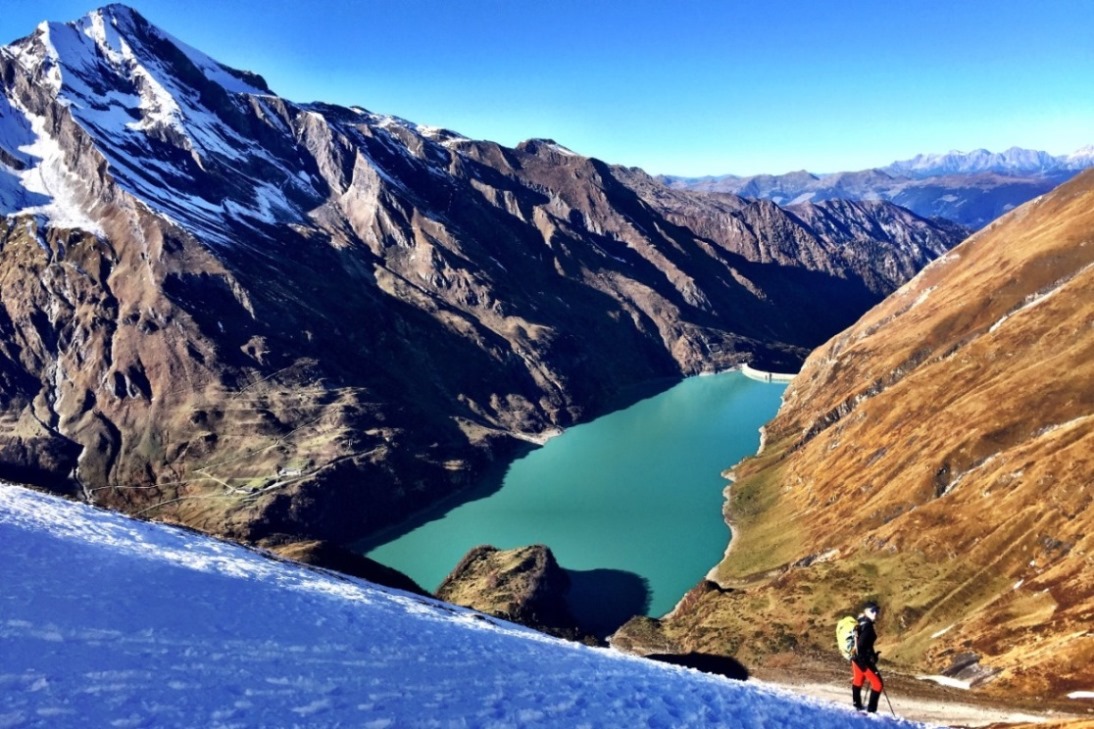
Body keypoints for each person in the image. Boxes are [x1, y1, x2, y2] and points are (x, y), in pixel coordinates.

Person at [851, 601, 884, 712]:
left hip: (855, 659)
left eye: (877, 611)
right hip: (863, 661)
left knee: (858, 681)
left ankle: (857, 705)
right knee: (878, 684)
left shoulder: (860, 623)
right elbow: (861, 646)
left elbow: (862, 645)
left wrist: (872, 655)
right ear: (865, 612)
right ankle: (871, 711)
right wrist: (870, 659)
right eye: (873, 611)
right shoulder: (868, 627)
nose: (875, 613)